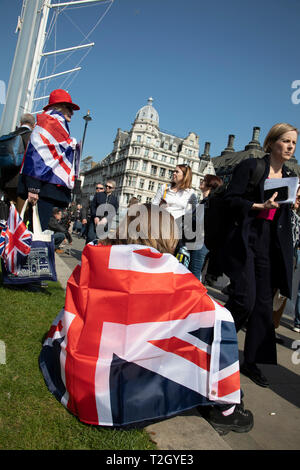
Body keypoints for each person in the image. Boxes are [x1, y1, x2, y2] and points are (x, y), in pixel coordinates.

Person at [39, 203, 253, 433]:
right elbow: (215, 315)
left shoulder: (96, 258)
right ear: (168, 235)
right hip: (132, 396)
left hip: (80, 376)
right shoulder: (169, 273)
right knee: (219, 324)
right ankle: (226, 409)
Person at [222, 123, 298, 388]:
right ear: (272, 141)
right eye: (286, 141)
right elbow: (229, 200)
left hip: (271, 246)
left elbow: (283, 216)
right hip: (246, 240)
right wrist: (257, 205)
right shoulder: (252, 167)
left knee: (264, 307)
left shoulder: (290, 175)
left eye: (294, 143)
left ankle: (251, 361)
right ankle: (217, 342)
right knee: (245, 299)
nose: (290, 146)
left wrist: (293, 204)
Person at [17, 89, 80, 231]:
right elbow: (37, 155)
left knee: (38, 228)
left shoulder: (56, 124)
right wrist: (33, 188)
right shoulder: (49, 123)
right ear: (59, 106)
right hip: (41, 190)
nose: (72, 112)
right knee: (36, 231)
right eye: (69, 108)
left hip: (45, 189)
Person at [188, 174, 223, 281]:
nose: (201, 181)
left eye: (204, 180)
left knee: (194, 272)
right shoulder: (205, 201)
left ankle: (195, 295)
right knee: (192, 271)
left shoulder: (211, 202)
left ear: (210, 185)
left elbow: (206, 222)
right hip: (198, 240)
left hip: (202, 242)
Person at [2, 113, 35, 205]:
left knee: (8, 214)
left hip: (5, 183)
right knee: (21, 216)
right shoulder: (32, 137)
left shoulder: (10, 135)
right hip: (21, 184)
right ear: (34, 125)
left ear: (20, 123)